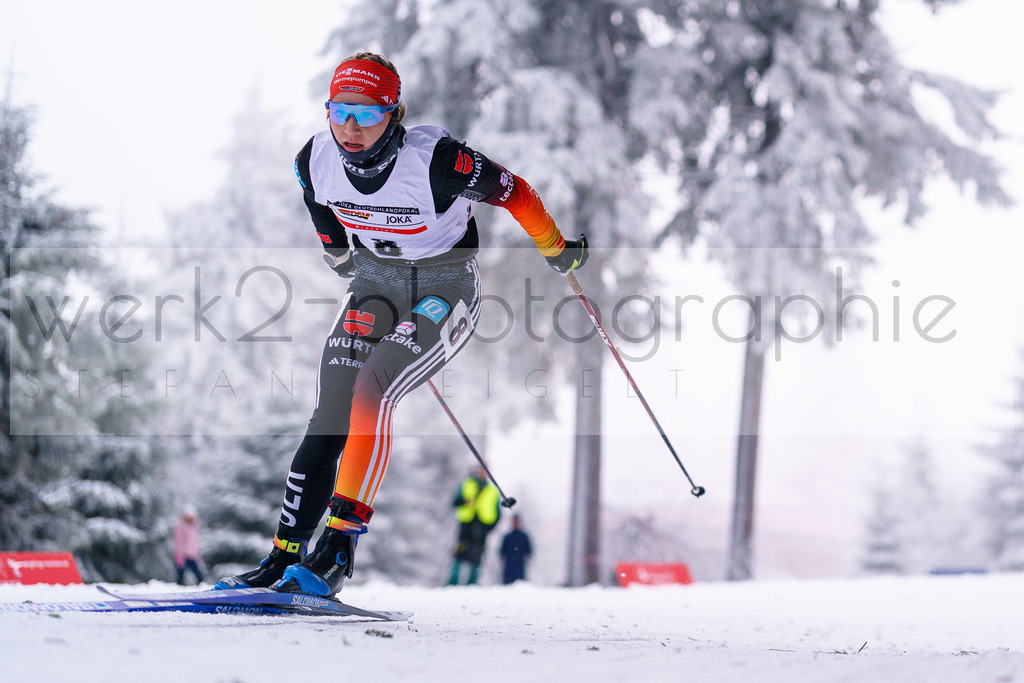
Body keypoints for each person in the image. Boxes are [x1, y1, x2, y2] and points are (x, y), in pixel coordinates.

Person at [216, 52, 588, 598]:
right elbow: (318, 205)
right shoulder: (312, 158)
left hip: (446, 289)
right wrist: (339, 257)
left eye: (367, 115)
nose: (351, 127)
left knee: (374, 386)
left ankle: (336, 551)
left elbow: (518, 192)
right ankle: (283, 555)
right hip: (375, 285)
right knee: (330, 411)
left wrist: (556, 248)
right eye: (340, 111)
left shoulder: (439, 162)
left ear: (395, 113)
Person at [447, 466, 502, 586]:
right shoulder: (467, 484)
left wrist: (489, 528)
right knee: (460, 551)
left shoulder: (492, 490)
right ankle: (453, 581)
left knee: (477, 553)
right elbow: (455, 502)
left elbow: (498, 512)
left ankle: (472, 582)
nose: (482, 473)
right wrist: (465, 501)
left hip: (482, 525)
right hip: (467, 523)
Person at [173, 505, 204, 585]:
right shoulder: (181, 527)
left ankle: (201, 587)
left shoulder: (194, 527)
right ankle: (178, 590)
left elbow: (195, 543)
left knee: (198, 574)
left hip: (192, 554)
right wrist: (179, 555)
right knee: (181, 575)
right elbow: (178, 541)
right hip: (183, 555)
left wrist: (197, 554)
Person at [499, 514, 533, 585]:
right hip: (509, 565)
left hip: (519, 565)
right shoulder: (507, 537)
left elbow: (528, 551)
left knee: (519, 584)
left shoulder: (523, 537)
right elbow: (502, 551)